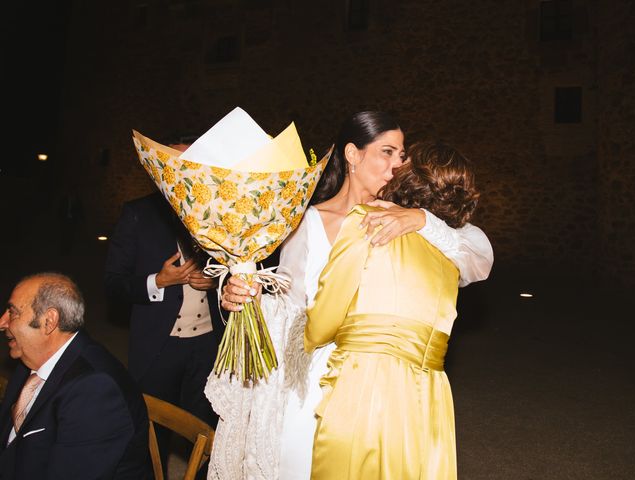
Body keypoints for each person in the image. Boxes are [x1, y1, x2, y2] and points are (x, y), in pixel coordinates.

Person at [207, 112, 493, 480]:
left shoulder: (412, 215)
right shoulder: (306, 223)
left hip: (385, 387)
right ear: (353, 155)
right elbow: (292, 307)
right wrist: (243, 297)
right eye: (387, 152)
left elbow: (480, 257)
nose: (398, 164)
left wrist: (422, 219)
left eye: (402, 155)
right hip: (314, 382)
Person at [305, 141, 480, 479]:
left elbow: (325, 314)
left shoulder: (367, 221)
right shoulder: (452, 252)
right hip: (429, 391)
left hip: (365, 380)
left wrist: (308, 336)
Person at [104, 137, 224, 470]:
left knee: (205, 430)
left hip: (208, 346)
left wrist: (215, 280)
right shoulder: (138, 214)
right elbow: (113, 284)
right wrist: (158, 281)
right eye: (175, 162)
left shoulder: (216, 211)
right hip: (159, 345)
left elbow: (236, 268)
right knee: (152, 432)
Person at [0, 272, 152, 479]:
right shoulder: (29, 359)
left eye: (13, 313)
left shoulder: (95, 391)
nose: (2, 322)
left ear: (49, 321)